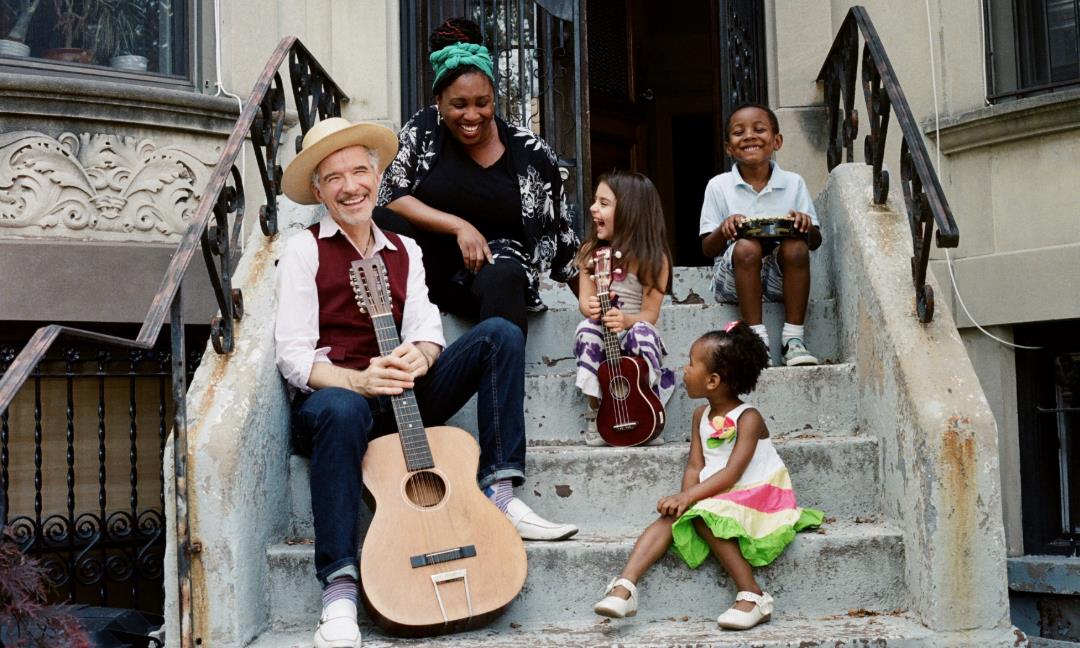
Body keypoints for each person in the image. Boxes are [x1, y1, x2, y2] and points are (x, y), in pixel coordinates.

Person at [275, 117, 578, 648]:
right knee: (343, 410)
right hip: (335, 407)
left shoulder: (404, 249)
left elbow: (428, 332)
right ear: (319, 192)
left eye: (359, 171)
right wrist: (358, 380)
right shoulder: (305, 250)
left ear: (377, 176)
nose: (350, 186)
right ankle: (339, 591)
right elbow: (294, 359)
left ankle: (501, 491)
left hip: (403, 399)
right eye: (334, 177)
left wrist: (419, 357)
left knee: (500, 334)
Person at [592, 322, 823, 630]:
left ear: (713, 380)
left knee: (703, 515)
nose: (684, 370)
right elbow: (694, 466)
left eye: (691, 364)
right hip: (716, 494)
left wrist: (690, 498)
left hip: (757, 495)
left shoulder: (748, 418)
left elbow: (732, 472)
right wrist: (683, 499)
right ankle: (625, 587)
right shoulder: (700, 416)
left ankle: (753, 595)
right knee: (671, 518)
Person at [377, 17, 580, 335]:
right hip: (428, 275)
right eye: (459, 105)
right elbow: (391, 197)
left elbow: (564, 243)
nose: (472, 116)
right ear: (439, 102)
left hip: (495, 281)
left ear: (494, 97)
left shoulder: (530, 151)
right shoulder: (424, 128)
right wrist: (460, 226)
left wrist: (598, 313)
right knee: (380, 221)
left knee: (504, 274)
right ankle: (380, 336)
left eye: (482, 103)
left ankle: (501, 362)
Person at [699, 103, 823, 366]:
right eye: (738, 132)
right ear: (729, 148)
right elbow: (708, 248)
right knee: (747, 246)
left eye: (759, 129)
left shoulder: (794, 183)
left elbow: (815, 242)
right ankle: (756, 341)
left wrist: (805, 226)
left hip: (780, 282)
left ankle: (793, 340)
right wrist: (724, 229)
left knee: (796, 246)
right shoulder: (718, 186)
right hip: (733, 282)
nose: (749, 136)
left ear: (777, 141)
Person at [573, 171, 676, 446]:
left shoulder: (654, 259)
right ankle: (596, 410)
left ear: (630, 212)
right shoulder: (590, 253)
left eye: (603, 203)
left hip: (631, 333)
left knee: (644, 332)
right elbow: (585, 301)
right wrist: (591, 307)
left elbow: (650, 314)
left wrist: (627, 320)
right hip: (604, 334)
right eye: (595, 201)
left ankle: (645, 404)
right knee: (586, 329)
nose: (593, 208)